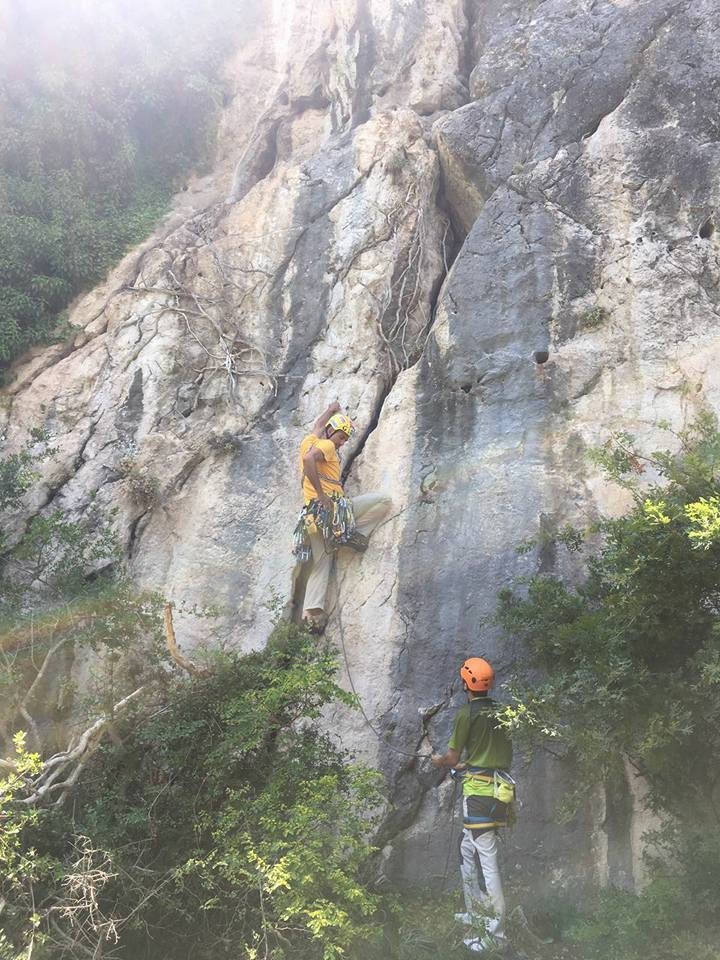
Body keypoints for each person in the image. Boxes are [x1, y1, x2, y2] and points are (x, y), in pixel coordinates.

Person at [432, 657, 514, 954]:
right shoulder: (502, 712)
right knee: (467, 850)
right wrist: (469, 764)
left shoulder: (467, 714)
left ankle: (496, 934)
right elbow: (493, 757)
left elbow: (451, 759)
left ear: (466, 683)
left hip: (478, 794)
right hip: (497, 790)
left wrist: (440, 761)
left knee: (487, 861)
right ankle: (477, 915)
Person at [295, 401, 392, 633]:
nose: (342, 443)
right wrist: (322, 494)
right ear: (331, 433)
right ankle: (353, 535)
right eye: (341, 437)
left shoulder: (311, 440)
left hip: (310, 519)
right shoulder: (326, 446)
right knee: (384, 501)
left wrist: (330, 411)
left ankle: (312, 615)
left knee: (321, 562)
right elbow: (310, 460)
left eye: (345, 440)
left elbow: (318, 426)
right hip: (332, 512)